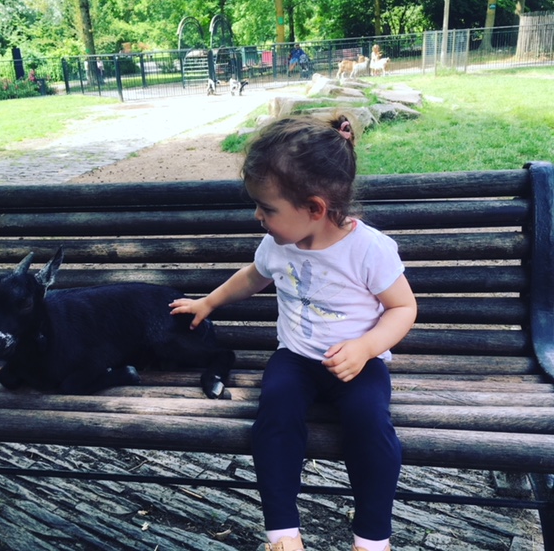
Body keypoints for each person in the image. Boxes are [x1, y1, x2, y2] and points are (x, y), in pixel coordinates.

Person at [170, 114, 417, 551]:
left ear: (315, 209)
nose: (258, 216)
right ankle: (283, 534)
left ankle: (372, 538)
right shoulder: (277, 244)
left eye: (267, 208)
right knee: (275, 416)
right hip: (297, 360)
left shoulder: (368, 249)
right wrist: (208, 302)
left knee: (370, 424)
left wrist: (366, 347)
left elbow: (403, 307)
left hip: (357, 366)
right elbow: (252, 277)